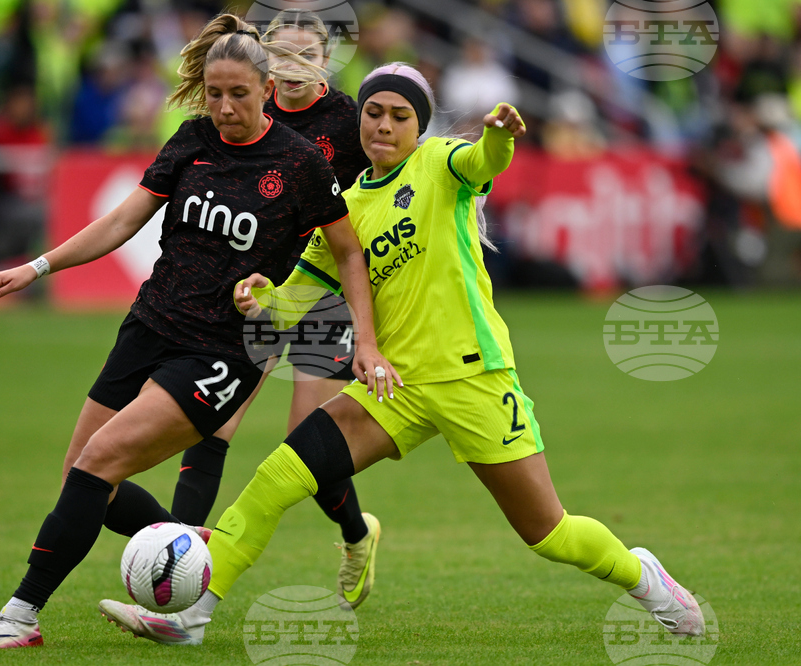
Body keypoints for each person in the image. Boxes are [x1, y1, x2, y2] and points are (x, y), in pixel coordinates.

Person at [99, 62, 706, 645]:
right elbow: (293, 303)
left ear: (420, 128)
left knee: (547, 532)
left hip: (474, 378)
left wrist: (498, 138)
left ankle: (644, 577)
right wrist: (258, 298)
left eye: (398, 116)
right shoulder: (346, 208)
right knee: (276, 478)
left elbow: (483, 159)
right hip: (395, 387)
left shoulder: (443, 165)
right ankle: (192, 616)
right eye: (373, 113)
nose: (383, 126)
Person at [0, 14, 397, 650]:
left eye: (237, 94)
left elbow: (349, 251)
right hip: (148, 326)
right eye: (214, 94)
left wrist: (367, 339)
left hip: (222, 350)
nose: (223, 107)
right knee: (81, 476)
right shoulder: (190, 140)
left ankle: (19, 615)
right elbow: (121, 221)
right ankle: (192, 551)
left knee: (102, 462)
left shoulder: (299, 162)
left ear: (266, 87)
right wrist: (37, 266)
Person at [167, 8, 381, 611]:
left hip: (324, 294)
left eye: (304, 57)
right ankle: (178, 563)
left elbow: (393, 173)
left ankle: (357, 537)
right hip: (259, 291)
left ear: (325, 63)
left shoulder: (347, 118)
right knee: (214, 422)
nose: (291, 68)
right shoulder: (246, 115)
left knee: (302, 439)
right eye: (280, 56)